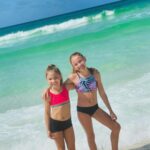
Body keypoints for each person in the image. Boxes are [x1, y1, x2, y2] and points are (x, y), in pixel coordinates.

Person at [66, 52, 121, 150]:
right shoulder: (73, 77)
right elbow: (59, 87)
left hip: (95, 108)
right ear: (73, 67)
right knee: (91, 136)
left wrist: (111, 111)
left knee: (116, 127)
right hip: (82, 111)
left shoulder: (95, 73)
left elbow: (102, 93)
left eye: (80, 61)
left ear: (84, 59)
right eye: (76, 64)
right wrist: (72, 86)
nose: (79, 64)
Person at [43, 64, 75, 150]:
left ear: (60, 76)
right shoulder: (48, 94)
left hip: (68, 123)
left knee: (72, 148)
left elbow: (74, 79)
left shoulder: (66, 88)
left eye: (55, 77)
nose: (53, 80)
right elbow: (46, 113)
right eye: (50, 79)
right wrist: (48, 129)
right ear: (47, 79)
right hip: (55, 124)